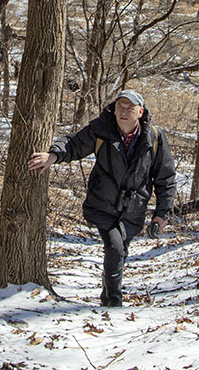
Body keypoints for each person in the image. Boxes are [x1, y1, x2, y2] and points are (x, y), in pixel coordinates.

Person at [28, 89, 176, 307]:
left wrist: (162, 214)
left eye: (129, 108)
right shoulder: (102, 129)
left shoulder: (153, 137)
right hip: (103, 204)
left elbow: (165, 177)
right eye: (120, 107)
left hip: (133, 208)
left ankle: (107, 295)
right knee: (115, 247)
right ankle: (113, 303)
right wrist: (53, 155)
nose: (123, 112)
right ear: (114, 109)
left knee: (120, 252)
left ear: (140, 112)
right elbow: (74, 144)